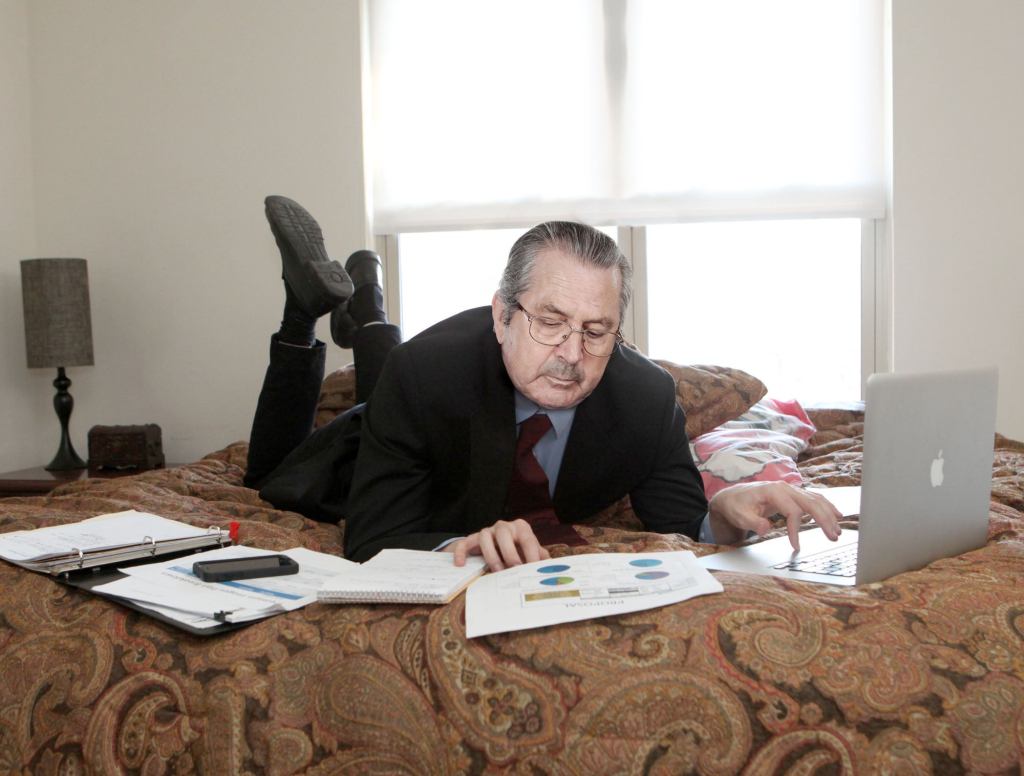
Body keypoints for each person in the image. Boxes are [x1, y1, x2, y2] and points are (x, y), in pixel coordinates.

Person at [247, 196, 842, 568]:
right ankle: (305, 313)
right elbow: (373, 539)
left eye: (596, 330)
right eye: (550, 322)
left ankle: (368, 304)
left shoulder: (646, 398)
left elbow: (681, 521)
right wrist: (464, 543)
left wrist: (727, 513)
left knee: (389, 368)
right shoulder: (425, 376)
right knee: (271, 477)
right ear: (502, 316)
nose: (570, 355)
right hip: (398, 435)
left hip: (438, 386)